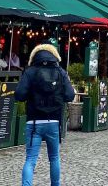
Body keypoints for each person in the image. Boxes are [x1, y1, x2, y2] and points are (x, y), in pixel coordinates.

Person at [15, 42, 75, 186]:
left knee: (30, 160)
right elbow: (70, 95)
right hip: (54, 121)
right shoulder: (60, 71)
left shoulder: (30, 71)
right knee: (54, 158)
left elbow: (19, 95)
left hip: (34, 122)